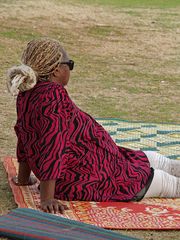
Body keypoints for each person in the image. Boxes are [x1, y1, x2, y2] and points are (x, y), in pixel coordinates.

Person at [7, 38, 180, 214]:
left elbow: (24, 134)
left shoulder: (27, 92)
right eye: (70, 64)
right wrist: (47, 199)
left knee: (147, 159)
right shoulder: (53, 97)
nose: (70, 69)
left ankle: (163, 168)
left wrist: (23, 179)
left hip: (97, 161)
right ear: (56, 70)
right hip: (89, 176)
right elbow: (53, 146)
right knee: (162, 181)